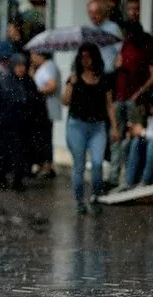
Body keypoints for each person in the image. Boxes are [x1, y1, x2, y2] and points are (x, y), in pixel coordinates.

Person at [62, 43, 119, 215]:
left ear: (95, 58)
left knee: (97, 163)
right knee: (79, 165)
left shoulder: (103, 79)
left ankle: (95, 196)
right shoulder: (74, 78)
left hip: (98, 126)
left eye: (89, 56)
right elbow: (65, 102)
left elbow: (109, 105)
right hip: (77, 125)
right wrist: (70, 85)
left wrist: (114, 127)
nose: (86, 60)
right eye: (82, 57)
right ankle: (80, 200)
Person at [108, 20, 153, 189]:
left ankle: (131, 177)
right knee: (117, 136)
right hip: (120, 96)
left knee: (134, 137)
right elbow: (117, 69)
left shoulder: (146, 47)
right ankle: (115, 177)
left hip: (134, 99)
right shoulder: (124, 46)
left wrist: (139, 93)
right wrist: (118, 65)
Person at [0, 54, 42, 191]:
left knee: (20, 153)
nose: (20, 69)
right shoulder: (4, 80)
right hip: (5, 124)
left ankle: (17, 180)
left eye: (23, 66)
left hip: (23, 125)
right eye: (18, 66)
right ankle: (0, 178)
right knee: (2, 153)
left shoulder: (29, 82)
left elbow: (35, 102)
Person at [123, 102, 153, 188]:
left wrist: (143, 132)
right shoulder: (152, 118)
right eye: (152, 108)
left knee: (152, 144)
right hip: (152, 152)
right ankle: (129, 181)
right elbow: (147, 135)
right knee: (136, 142)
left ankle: (145, 180)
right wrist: (137, 132)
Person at [31, 51, 61, 178]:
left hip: (46, 109)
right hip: (40, 109)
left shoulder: (49, 66)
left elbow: (51, 85)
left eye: (34, 55)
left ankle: (47, 166)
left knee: (45, 138)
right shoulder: (42, 68)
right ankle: (41, 164)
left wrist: (36, 91)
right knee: (40, 137)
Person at [88, 0, 123, 75]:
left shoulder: (112, 28)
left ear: (102, 12)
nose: (92, 16)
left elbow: (121, 50)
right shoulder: (91, 30)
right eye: (90, 12)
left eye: (95, 12)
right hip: (94, 75)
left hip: (108, 74)